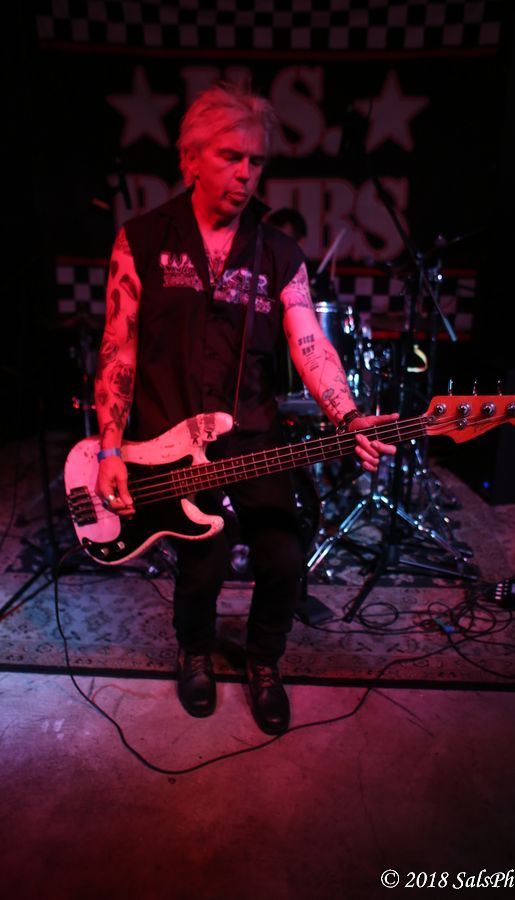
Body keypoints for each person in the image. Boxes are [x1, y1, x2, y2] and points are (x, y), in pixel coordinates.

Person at [93, 80, 398, 735]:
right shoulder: (141, 239)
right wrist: (110, 448)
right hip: (166, 440)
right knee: (201, 565)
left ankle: (264, 660)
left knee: (283, 556)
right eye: (231, 156)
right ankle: (195, 651)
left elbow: (309, 341)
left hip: (254, 435)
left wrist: (347, 416)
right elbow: (119, 348)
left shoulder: (278, 251)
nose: (245, 173)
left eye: (256, 161)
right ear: (190, 158)